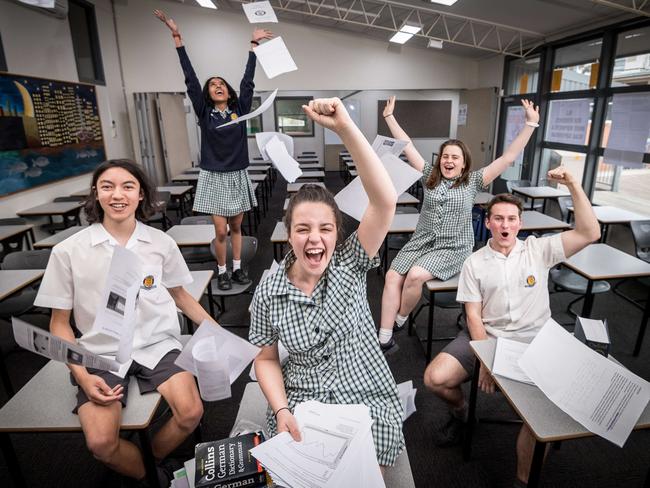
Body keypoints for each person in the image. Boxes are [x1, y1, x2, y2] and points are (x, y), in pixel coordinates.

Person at [34, 159, 215, 486]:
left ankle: (147, 461)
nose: (118, 195)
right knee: (102, 444)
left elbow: (181, 296)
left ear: (142, 194)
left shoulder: (161, 243)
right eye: (107, 186)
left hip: (157, 344)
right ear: (95, 193)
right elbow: (59, 324)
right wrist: (83, 375)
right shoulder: (68, 251)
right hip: (100, 351)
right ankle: (158, 476)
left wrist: (218, 335)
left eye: (128, 186)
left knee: (190, 412)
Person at [249, 98, 405, 471]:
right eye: (303, 229)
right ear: (288, 234)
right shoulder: (269, 291)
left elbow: (385, 201)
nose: (314, 239)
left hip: (365, 386)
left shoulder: (350, 262)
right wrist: (282, 409)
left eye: (325, 229)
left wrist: (344, 128)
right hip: (303, 396)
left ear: (338, 233)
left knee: (368, 462)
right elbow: (266, 358)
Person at [423, 167, 600, 485]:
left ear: (520, 223)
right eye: (498, 219)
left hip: (537, 340)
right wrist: (487, 360)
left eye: (512, 219)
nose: (505, 225)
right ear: (488, 222)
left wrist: (573, 183)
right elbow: (474, 317)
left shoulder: (538, 250)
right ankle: (464, 413)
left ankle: (522, 482)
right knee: (435, 378)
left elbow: (590, 232)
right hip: (487, 335)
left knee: (539, 420)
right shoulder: (474, 262)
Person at [378, 96, 540, 352]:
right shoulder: (429, 175)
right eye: (445, 156)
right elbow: (407, 145)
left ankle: (400, 318)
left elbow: (507, 158)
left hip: (452, 247)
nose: (448, 161)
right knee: (391, 275)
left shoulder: (474, 181)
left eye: (454, 157)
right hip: (421, 241)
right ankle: (384, 338)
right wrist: (389, 117)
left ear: (463, 163)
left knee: (415, 276)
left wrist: (530, 125)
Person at [155, 10, 272, 291]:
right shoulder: (205, 112)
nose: (217, 86)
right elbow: (191, 79)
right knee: (220, 230)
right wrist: (177, 38)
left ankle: (237, 269)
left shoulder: (239, 109)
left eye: (221, 84)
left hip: (237, 174)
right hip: (213, 175)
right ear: (207, 94)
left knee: (236, 228)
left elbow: (248, 82)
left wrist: (253, 47)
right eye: (213, 85)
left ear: (228, 92)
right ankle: (222, 271)